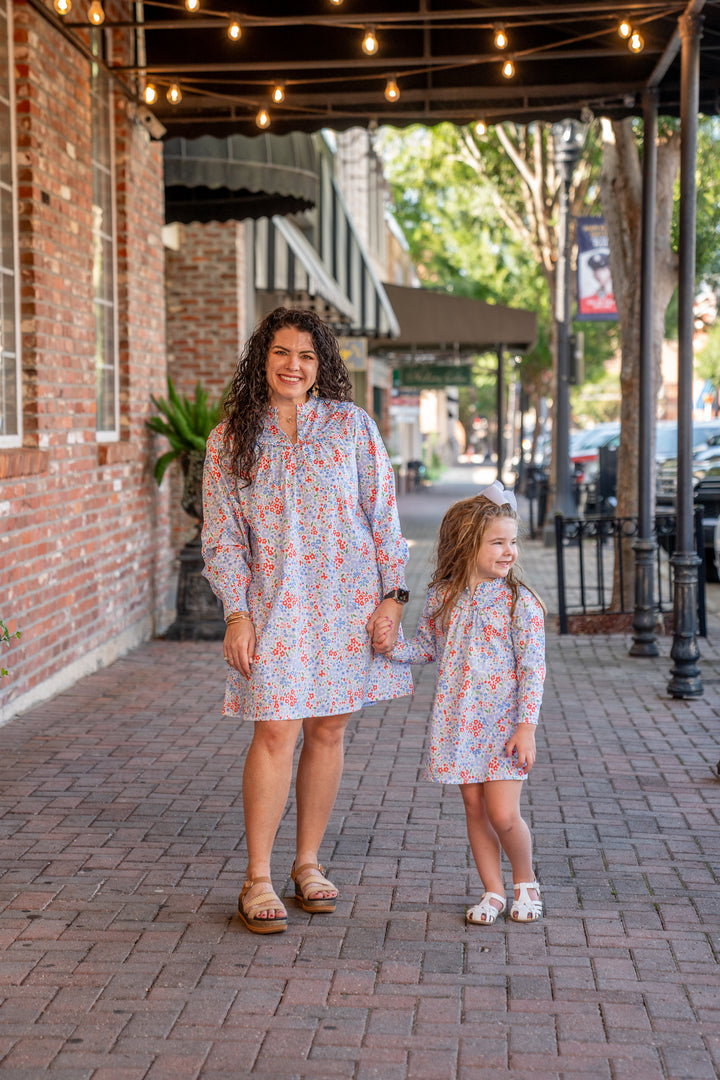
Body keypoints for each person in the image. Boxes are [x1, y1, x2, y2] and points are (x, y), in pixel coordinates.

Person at [201, 307, 412, 934]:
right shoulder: (230, 439)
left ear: (322, 366)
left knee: (327, 731)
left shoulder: (352, 427)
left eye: (307, 356)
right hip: (273, 610)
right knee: (274, 732)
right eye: (282, 353)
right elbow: (222, 539)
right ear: (261, 359)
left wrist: (392, 598)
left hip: (347, 606)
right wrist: (237, 614)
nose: (294, 365)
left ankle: (308, 864)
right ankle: (257, 877)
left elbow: (383, 518)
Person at [374, 482, 545, 925]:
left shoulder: (519, 604)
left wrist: (525, 727)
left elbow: (533, 670)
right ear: (468, 544)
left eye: (512, 542)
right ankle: (492, 890)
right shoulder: (442, 596)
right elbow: (428, 648)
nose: (509, 551)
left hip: (504, 726)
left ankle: (525, 880)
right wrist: (392, 646)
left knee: (504, 813)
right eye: (498, 542)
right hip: (459, 722)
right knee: (474, 807)